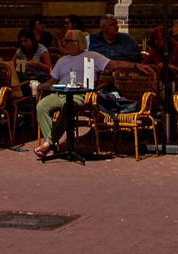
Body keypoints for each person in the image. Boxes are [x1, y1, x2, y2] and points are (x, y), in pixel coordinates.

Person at [32, 30, 155, 160]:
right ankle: (50, 145)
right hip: (59, 93)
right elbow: (51, 82)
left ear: (78, 43)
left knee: (67, 107)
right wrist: (38, 86)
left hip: (78, 95)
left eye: (67, 41)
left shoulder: (92, 57)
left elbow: (115, 64)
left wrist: (136, 65)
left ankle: (48, 143)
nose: (64, 44)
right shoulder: (62, 60)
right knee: (41, 106)